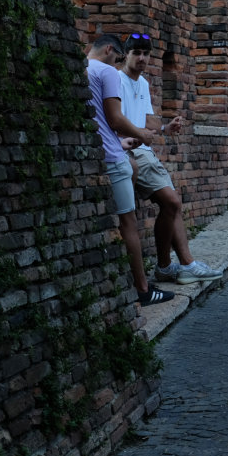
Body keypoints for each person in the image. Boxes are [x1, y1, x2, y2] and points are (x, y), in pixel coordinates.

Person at [120, 33, 222, 284]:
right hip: (128, 149)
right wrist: (134, 136)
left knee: (172, 204)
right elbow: (116, 119)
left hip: (144, 150)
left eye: (146, 54)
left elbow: (147, 120)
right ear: (125, 54)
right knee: (172, 201)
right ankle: (182, 264)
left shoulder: (143, 83)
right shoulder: (117, 80)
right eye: (136, 53)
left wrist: (166, 128)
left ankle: (170, 266)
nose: (142, 58)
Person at [86, 35, 173, 306]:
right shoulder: (107, 72)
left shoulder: (80, 69)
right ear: (109, 50)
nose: (118, 64)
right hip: (113, 160)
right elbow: (115, 119)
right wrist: (141, 135)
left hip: (95, 154)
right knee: (129, 224)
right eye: (118, 58)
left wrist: (122, 140)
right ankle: (143, 290)